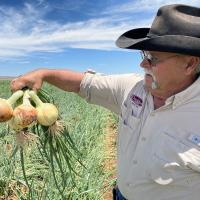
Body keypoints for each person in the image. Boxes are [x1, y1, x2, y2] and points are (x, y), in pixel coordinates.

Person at [10, 4, 200, 200]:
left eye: (153, 58)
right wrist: (43, 73)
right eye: (144, 54)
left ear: (189, 64)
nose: (143, 64)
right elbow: (83, 84)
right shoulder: (132, 87)